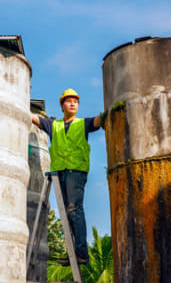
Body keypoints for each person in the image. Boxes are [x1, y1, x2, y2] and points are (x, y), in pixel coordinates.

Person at [31, 88, 107, 266]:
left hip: (76, 171)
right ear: (62, 105)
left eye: (76, 101)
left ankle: (81, 253)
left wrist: (111, 110)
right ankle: (72, 252)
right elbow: (33, 118)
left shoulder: (84, 123)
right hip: (60, 172)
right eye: (69, 100)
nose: (73, 103)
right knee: (66, 215)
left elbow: (99, 119)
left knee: (74, 210)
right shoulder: (53, 125)